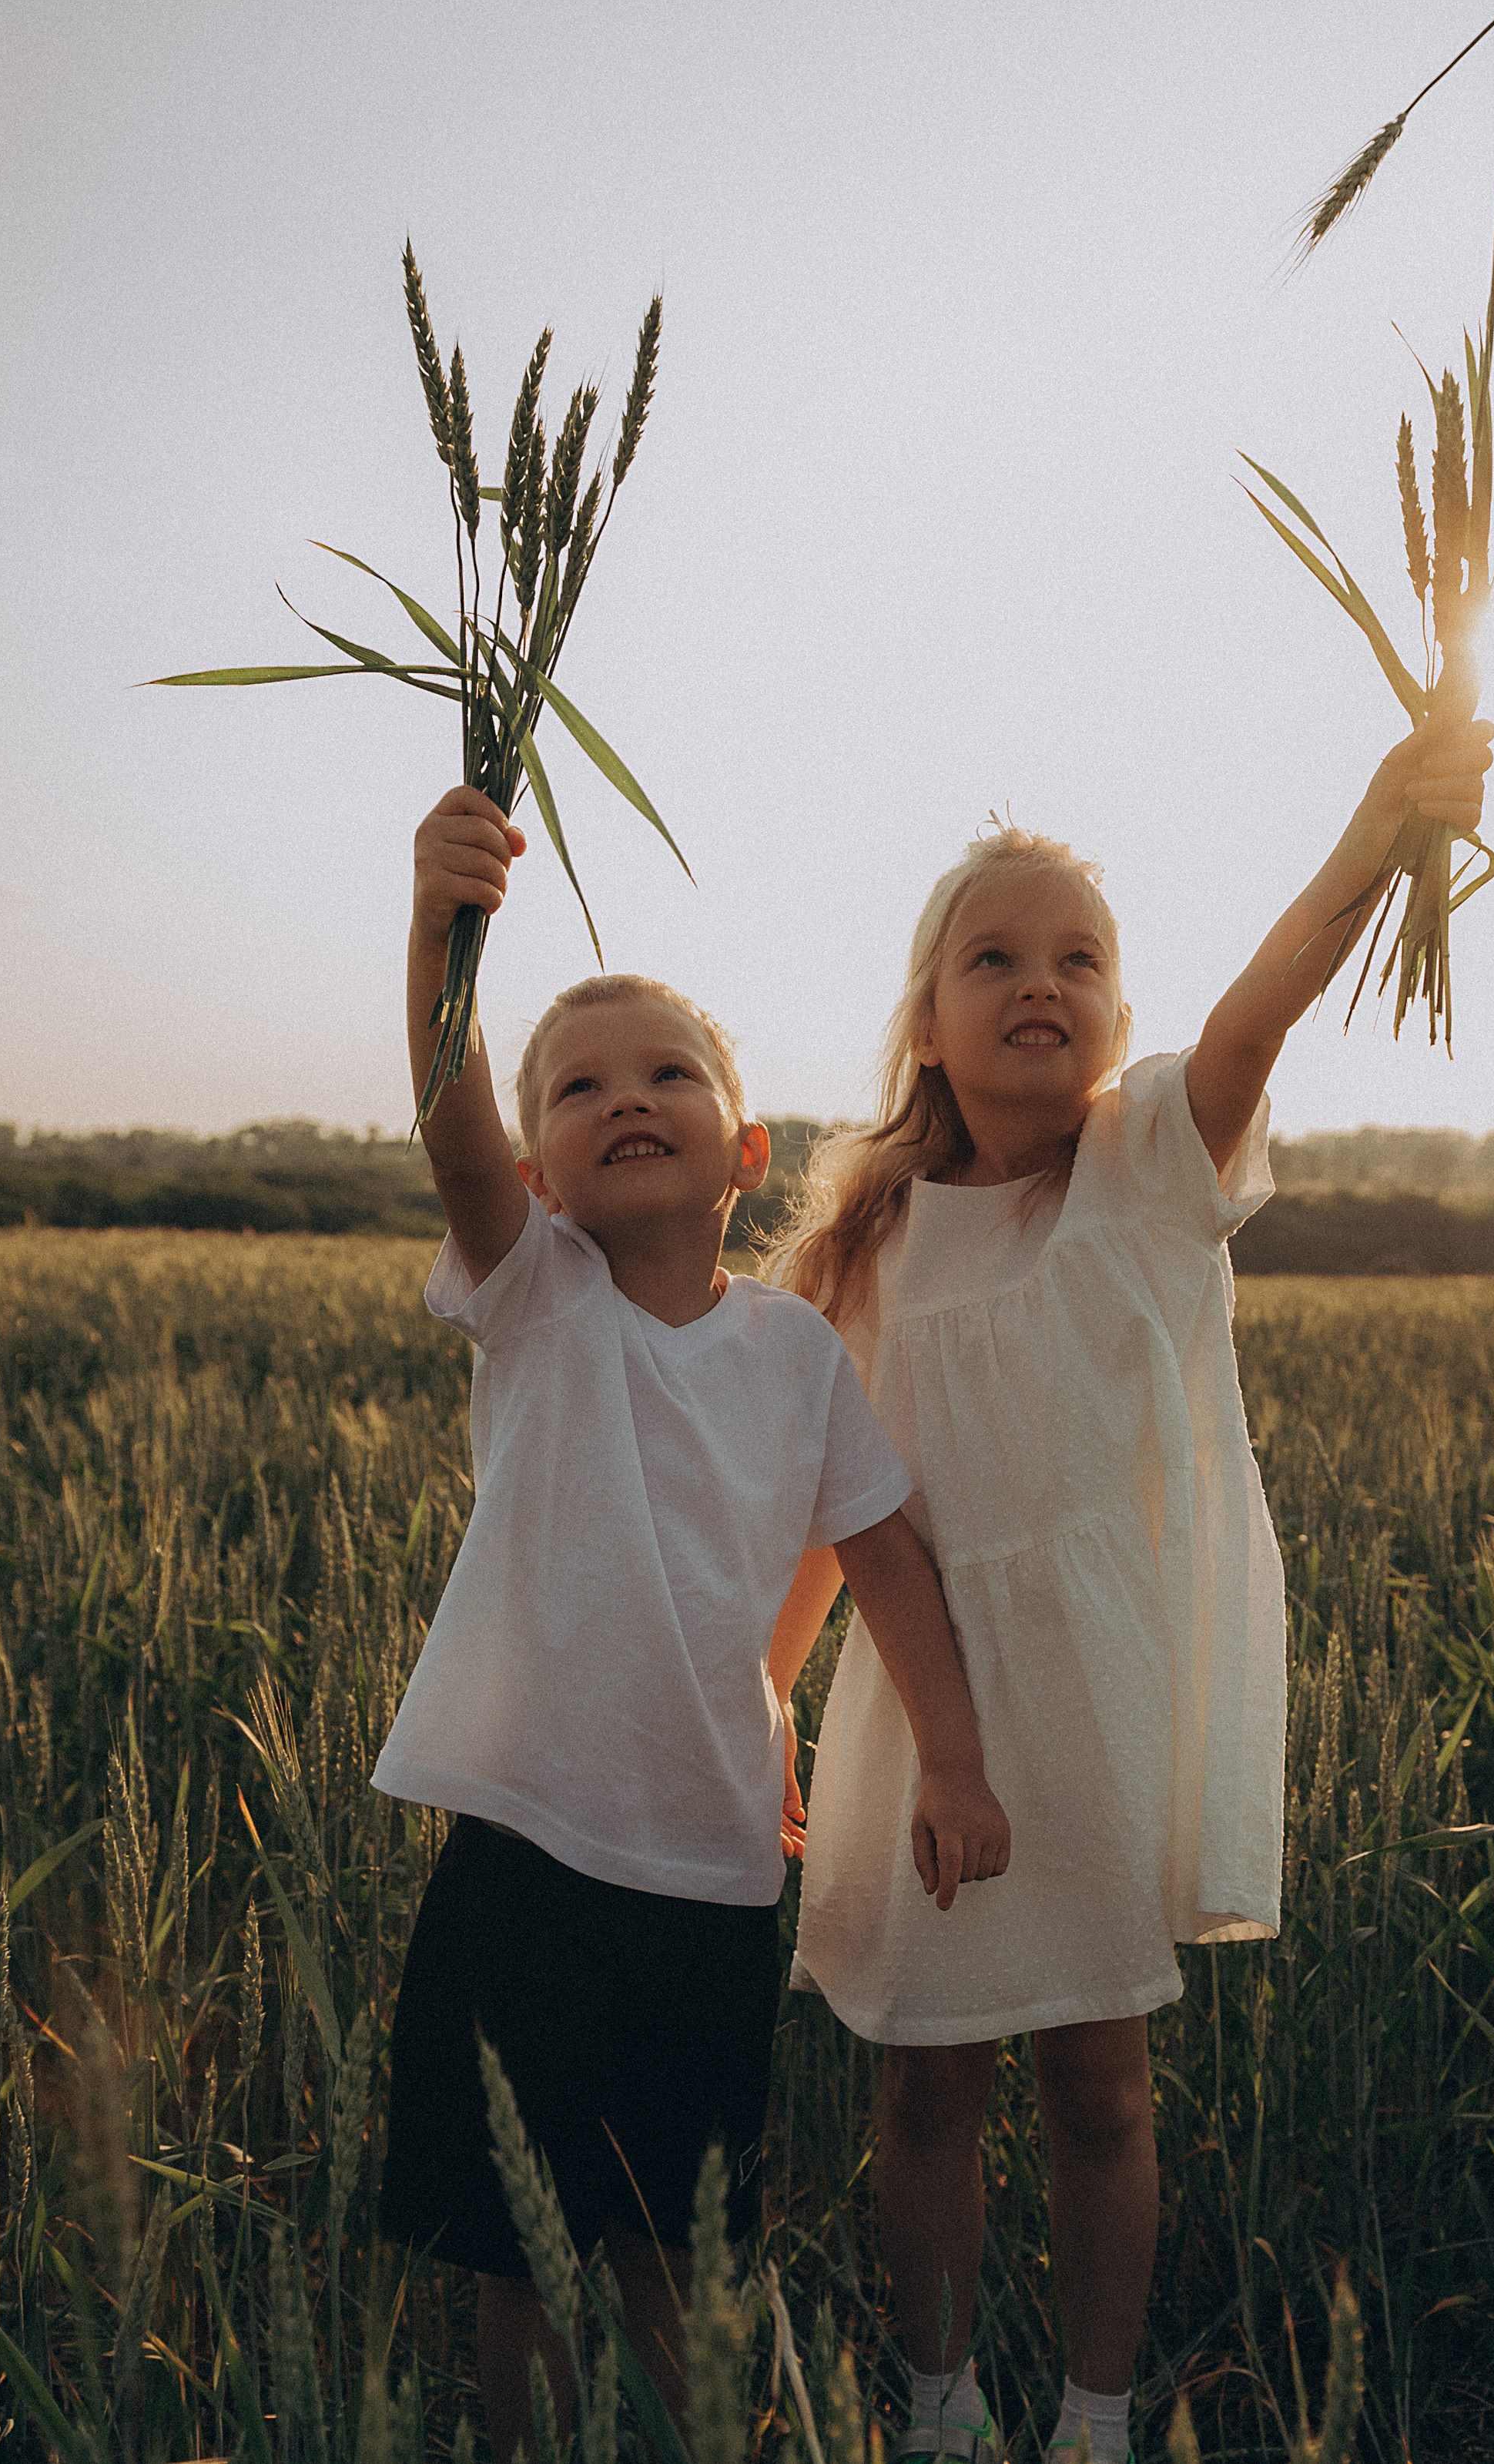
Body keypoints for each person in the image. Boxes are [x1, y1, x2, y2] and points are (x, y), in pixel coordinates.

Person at [764, 719, 1494, 2464]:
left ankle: (1093, 2417)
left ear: (1113, 1010)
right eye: (992, 957)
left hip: (1093, 1694)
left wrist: (1377, 831)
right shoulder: (857, 1250)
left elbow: (1257, 1005)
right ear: (924, 1020)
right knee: (925, 2076)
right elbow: (826, 1513)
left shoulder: (1145, 1171)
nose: (1041, 982)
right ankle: (939, 2406)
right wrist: (757, 1705)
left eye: (1077, 957)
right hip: (917, 1707)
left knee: (1099, 2083)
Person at [373, 786, 1012, 2464]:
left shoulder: (796, 1355)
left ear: (744, 1150)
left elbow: (881, 1554)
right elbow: (447, 1127)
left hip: (717, 1870)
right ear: (535, 1176)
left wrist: (949, 1755)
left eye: (666, 1072)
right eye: (578, 1086)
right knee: (517, 2243)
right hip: (526, 1851)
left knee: (684, 2232)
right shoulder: (538, 1297)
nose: (623, 1097)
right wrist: (445, 937)